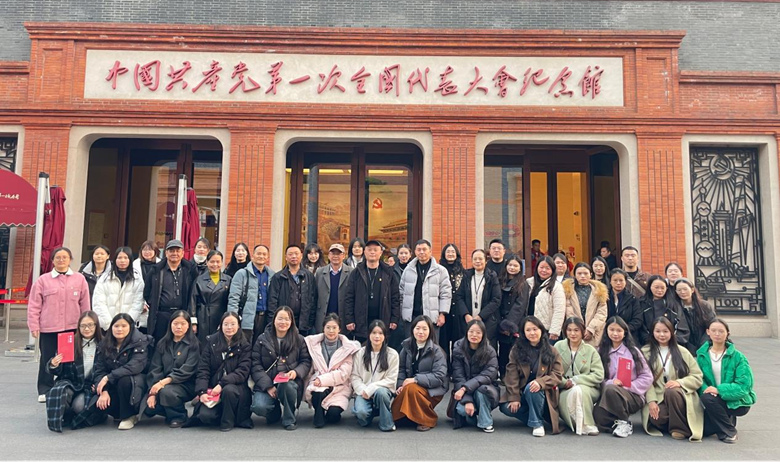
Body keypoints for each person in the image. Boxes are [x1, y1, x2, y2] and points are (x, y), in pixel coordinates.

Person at [28, 246, 91, 402]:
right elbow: (34, 305)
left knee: (69, 359)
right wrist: (34, 325)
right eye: (58, 257)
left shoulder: (79, 279)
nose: (61, 260)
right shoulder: (43, 280)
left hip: (71, 327)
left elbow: (85, 303)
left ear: (70, 260)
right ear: (52, 260)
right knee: (47, 358)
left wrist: (87, 324)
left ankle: (66, 386)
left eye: (65, 257)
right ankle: (45, 389)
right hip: (49, 327)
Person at [186, 312, 253, 431]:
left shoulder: (244, 345)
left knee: (229, 390)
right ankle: (220, 413)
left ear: (238, 326)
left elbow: (242, 371)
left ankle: (228, 422)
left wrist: (222, 384)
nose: (229, 327)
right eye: (225, 324)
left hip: (236, 387)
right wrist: (202, 392)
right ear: (220, 326)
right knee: (205, 417)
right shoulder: (211, 342)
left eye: (233, 324)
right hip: (213, 388)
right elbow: (203, 369)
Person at [641, 317, 704, 441]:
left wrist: (679, 382)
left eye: (665, 331)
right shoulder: (645, 352)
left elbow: (697, 376)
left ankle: (679, 429)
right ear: (652, 332)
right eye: (658, 331)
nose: (662, 335)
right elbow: (645, 378)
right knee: (657, 418)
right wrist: (651, 401)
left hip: (680, 395)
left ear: (671, 332)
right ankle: (680, 421)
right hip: (659, 396)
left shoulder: (682, 352)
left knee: (671, 390)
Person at [500, 316, 564, 437]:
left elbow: (557, 374)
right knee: (505, 407)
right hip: (522, 392)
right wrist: (514, 397)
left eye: (535, 329)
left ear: (541, 330)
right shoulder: (516, 350)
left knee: (533, 387)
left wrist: (541, 382)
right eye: (528, 330)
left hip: (545, 394)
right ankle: (534, 416)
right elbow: (511, 374)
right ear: (523, 333)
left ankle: (537, 424)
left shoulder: (552, 351)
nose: (532, 333)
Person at [250, 306, 312, 430]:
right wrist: (268, 386)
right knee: (259, 407)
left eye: (287, 319)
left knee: (287, 386)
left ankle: (289, 419)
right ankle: (274, 413)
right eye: (280, 319)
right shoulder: (262, 339)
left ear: (291, 321)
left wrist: (296, 372)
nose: (283, 322)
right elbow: (255, 365)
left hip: (289, 381)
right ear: (274, 320)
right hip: (268, 380)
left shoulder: (299, 339)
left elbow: (305, 361)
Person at [89, 313, 153, 430]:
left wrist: (108, 378)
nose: (120, 329)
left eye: (124, 326)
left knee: (124, 380)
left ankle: (129, 416)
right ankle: (118, 413)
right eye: (116, 326)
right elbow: (99, 370)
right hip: (114, 383)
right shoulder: (104, 344)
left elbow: (135, 366)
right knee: (95, 406)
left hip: (136, 381)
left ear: (131, 327)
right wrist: (104, 391)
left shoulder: (140, 341)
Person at [696, 318, 756, 444]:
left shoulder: (738, 357)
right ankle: (728, 419)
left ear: (727, 334)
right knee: (705, 430)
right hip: (712, 398)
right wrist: (707, 390)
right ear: (708, 332)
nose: (717, 334)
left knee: (708, 399)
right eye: (713, 331)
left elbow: (744, 386)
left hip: (737, 401)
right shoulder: (701, 355)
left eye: (721, 331)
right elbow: (698, 378)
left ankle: (729, 432)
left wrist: (719, 390)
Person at [593, 316, 653, 437]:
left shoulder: (633, 351)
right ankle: (617, 422)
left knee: (612, 390)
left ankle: (624, 422)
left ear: (625, 332)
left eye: (619, 330)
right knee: (599, 417)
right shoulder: (601, 351)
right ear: (606, 331)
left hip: (632, 395)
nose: (615, 333)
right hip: (609, 393)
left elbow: (647, 377)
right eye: (612, 330)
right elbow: (598, 376)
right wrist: (610, 382)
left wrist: (628, 386)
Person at [45, 311, 103, 432]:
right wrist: (53, 364)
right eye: (83, 326)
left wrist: (99, 384)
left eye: (90, 325)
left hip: (89, 386)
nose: (86, 329)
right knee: (59, 391)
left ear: (96, 326)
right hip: (71, 382)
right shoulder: (69, 342)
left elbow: (107, 369)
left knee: (79, 406)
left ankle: (76, 415)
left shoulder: (103, 344)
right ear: (78, 327)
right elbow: (57, 371)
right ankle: (64, 415)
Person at [142, 310, 199, 427]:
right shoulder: (163, 343)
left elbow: (187, 370)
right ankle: (168, 410)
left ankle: (178, 416)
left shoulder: (194, 344)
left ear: (188, 325)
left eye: (183, 324)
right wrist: (152, 393)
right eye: (175, 323)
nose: (179, 327)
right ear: (170, 325)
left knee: (167, 393)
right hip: (163, 383)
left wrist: (162, 383)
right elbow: (155, 368)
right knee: (146, 407)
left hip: (186, 383)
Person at [303, 313, 361, 428]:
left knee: (333, 414)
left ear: (339, 329)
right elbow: (310, 368)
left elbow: (344, 373)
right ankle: (318, 416)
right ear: (323, 328)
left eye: (334, 327)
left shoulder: (348, 348)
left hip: (339, 385)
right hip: (318, 383)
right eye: (328, 327)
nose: (331, 331)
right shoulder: (313, 345)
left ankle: (328, 413)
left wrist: (323, 380)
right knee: (317, 393)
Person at [392, 315, 449, 431]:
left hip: (433, 389)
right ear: (412, 329)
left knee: (411, 388)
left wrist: (415, 380)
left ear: (430, 331)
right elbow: (401, 369)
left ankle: (427, 419)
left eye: (424, 329)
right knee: (408, 389)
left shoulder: (437, 351)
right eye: (417, 328)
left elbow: (439, 377)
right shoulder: (406, 346)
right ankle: (408, 417)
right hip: (410, 386)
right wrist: (400, 385)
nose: (420, 332)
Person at [343, 240, 400, 344]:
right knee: (362, 350)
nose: (372, 252)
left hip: (383, 318)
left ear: (381, 253)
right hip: (361, 321)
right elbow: (349, 297)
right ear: (364, 252)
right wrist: (349, 319)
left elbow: (395, 297)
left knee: (381, 350)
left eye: (375, 250)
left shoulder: (388, 272)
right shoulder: (356, 272)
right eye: (369, 250)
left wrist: (394, 319)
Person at [554, 317, 604, 436]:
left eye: (576, 330)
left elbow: (599, 374)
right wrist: (564, 382)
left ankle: (586, 424)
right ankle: (580, 424)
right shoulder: (558, 347)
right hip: (564, 388)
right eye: (569, 330)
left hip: (588, 388)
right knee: (575, 391)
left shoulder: (591, 350)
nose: (572, 333)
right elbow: (553, 371)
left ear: (583, 331)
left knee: (578, 390)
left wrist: (577, 380)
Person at [143, 239, 199, 341]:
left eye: (178, 251)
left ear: (183, 253)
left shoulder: (190, 270)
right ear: (166, 253)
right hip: (161, 315)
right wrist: (154, 303)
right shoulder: (156, 270)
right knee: (159, 343)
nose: (175, 253)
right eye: (171, 251)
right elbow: (147, 292)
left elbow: (193, 293)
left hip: (181, 314)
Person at [451, 319, 500, 433]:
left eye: (478, 332)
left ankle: (486, 422)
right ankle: (473, 414)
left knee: (481, 389)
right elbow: (458, 376)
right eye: (471, 331)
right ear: (466, 332)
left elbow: (487, 376)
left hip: (486, 389)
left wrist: (464, 389)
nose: (474, 335)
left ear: (483, 334)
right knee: (462, 410)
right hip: (464, 389)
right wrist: (468, 401)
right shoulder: (458, 348)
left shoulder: (490, 351)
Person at [351, 320, 400, 432]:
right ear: (369, 335)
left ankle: (386, 424)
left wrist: (372, 388)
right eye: (374, 333)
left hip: (382, 391)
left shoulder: (392, 354)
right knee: (362, 416)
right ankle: (375, 411)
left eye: (380, 333)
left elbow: (391, 379)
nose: (377, 336)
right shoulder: (360, 353)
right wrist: (364, 390)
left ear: (385, 336)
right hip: (363, 392)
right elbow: (354, 376)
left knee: (381, 393)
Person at [399, 239, 452, 337]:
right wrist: (403, 312)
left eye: (424, 249)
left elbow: (446, 294)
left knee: (431, 345)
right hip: (411, 317)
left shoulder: (440, 270)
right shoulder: (408, 269)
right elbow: (401, 292)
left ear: (430, 251)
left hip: (432, 317)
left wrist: (442, 314)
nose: (421, 252)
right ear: (415, 252)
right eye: (419, 250)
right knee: (410, 344)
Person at [228, 244, 275, 343]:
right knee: (245, 347)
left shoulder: (271, 275)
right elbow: (233, 298)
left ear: (268, 257)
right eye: (258, 253)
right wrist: (233, 319)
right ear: (253, 255)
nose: (261, 256)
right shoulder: (242, 274)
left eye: (264, 254)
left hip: (265, 318)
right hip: (247, 318)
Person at [455, 249, 502, 346]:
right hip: (468, 320)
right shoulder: (466, 275)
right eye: (475, 259)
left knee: (486, 348)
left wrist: (481, 316)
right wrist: (466, 314)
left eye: (480, 259)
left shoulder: (492, 276)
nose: (477, 261)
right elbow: (459, 296)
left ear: (486, 261)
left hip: (487, 321)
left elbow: (496, 299)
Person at [92, 247, 145, 330]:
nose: (122, 261)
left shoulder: (137, 279)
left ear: (130, 260)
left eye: (125, 258)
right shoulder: (105, 278)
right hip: (107, 327)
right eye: (119, 258)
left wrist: (125, 324)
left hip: (128, 327)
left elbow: (138, 304)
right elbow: (98, 302)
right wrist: (110, 324)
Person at [268, 244, 316, 334]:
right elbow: (272, 301)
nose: (294, 256)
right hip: (284, 322)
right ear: (286, 257)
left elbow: (313, 300)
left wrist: (310, 321)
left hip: (303, 322)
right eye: (290, 254)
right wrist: (273, 321)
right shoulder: (278, 277)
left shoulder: (309, 276)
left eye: (296, 254)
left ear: (301, 256)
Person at [496, 255, 529, 378]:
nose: (512, 268)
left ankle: (512, 377)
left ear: (520, 268)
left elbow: (520, 306)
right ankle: (502, 374)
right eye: (510, 265)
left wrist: (508, 325)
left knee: (514, 351)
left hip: (515, 323)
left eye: (515, 265)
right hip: (500, 321)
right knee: (502, 350)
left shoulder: (523, 284)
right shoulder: (500, 281)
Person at [562, 262, 608, 347]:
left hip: (594, 332)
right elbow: (568, 311)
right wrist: (578, 328)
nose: (582, 276)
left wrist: (590, 329)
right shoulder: (568, 291)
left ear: (591, 274)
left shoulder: (599, 290)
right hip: (573, 331)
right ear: (574, 275)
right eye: (579, 273)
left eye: (586, 273)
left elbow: (602, 313)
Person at [191, 250, 232, 344]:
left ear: (222, 262)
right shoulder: (199, 280)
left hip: (221, 316)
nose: (215, 264)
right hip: (203, 317)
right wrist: (193, 322)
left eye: (218, 262)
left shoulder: (228, 280)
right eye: (212, 261)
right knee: (204, 344)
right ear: (207, 262)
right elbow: (192, 301)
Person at [638, 275, 690, 346]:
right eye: (656, 287)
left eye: (662, 288)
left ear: (667, 288)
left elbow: (682, 327)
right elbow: (640, 327)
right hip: (648, 345)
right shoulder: (642, 304)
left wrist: (671, 341)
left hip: (673, 345)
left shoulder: (673, 305)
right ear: (650, 287)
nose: (660, 290)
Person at [313, 243, 353, 334]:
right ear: (329, 256)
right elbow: (314, 296)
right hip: (323, 316)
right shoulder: (320, 272)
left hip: (343, 317)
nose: (335, 256)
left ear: (344, 256)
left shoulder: (351, 272)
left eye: (338, 254)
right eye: (333, 253)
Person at [525, 256, 565, 342]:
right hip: (529, 328)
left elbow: (559, 310)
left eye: (547, 268)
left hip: (546, 330)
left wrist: (554, 330)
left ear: (552, 270)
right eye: (541, 267)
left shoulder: (556, 286)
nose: (544, 270)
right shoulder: (529, 283)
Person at [674, 278, 716, 355]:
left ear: (692, 289)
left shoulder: (705, 306)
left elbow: (712, 325)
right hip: (684, 348)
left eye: (685, 289)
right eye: (679, 290)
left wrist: (704, 345)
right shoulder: (674, 308)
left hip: (705, 346)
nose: (682, 292)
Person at [439, 243, 465, 367]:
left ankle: (456, 368)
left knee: (458, 342)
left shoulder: (462, 271)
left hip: (458, 311)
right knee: (443, 342)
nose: (450, 254)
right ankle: (445, 368)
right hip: (443, 312)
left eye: (453, 252)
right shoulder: (438, 270)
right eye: (448, 251)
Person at [607, 269, 643, 341]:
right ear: (610, 281)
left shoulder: (633, 299)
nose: (618, 283)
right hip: (608, 336)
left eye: (621, 280)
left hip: (628, 337)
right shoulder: (605, 298)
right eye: (615, 280)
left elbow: (638, 320)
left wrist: (623, 330)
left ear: (625, 282)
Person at [133, 240, 159, 333]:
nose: (147, 252)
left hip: (154, 304)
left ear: (155, 251)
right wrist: (142, 303)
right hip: (138, 303)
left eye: (150, 250)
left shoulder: (160, 265)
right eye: (144, 250)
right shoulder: (134, 265)